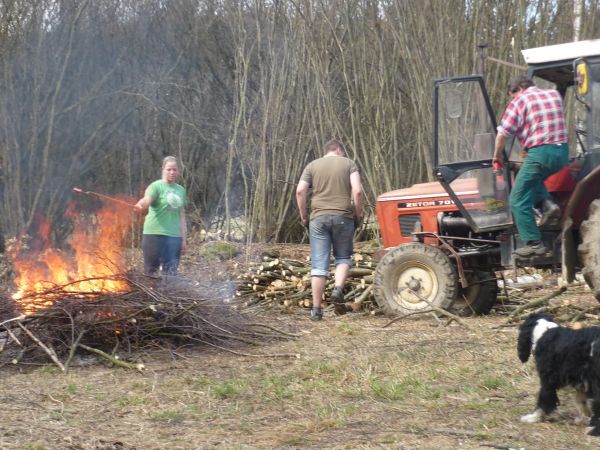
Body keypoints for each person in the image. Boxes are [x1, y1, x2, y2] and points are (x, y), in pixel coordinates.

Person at [492, 75, 568, 257]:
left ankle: (534, 243)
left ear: (517, 89)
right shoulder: (553, 94)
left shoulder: (519, 101)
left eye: (511, 95)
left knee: (517, 199)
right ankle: (548, 205)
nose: (512, 99)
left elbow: (503, 134)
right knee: (534, 179)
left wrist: (496, 157)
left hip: (540, 154)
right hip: (562, 153)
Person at [296, 139, 363, 321]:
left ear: (327, 151)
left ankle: (316, 310)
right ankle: (338, 289)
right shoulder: (349, 163)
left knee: (319, 265)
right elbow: (357, 191)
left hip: (318, 218)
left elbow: (300, 191)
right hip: (343, 217)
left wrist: (304, 216)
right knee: (343, 258)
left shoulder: (312, 165)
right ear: (339, 150)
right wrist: (358, 215)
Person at [134, 156, 187, 276]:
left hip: (174, 237)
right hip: (154, 235)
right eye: (169, 169)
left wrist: (183, 239)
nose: (172, 172)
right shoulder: (156, 186)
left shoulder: (181, 190)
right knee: (151, 272)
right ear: (163, 169)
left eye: (174, 169)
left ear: (178, 171)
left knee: (171, 274)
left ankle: (166, 295)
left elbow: (182, 216)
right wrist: (141, 204)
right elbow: (147, 199)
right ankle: (149, 294)